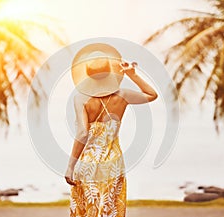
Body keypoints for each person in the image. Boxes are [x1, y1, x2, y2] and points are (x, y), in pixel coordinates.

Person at [65, 43, 158, 217]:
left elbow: (83, 133)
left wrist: (70, 166)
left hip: (88, 163)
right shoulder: (122, 95)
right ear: (109, 72)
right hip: (113, 163)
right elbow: (152, 95)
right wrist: (133, 75)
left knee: (88, 211)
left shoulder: (81, 98)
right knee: (110, 210)